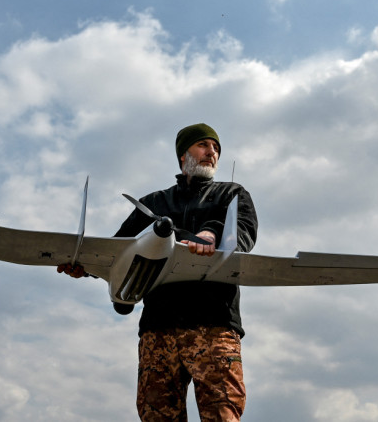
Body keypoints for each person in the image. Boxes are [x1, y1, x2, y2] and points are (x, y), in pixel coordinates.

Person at [58, 123, 258, 421]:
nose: (212, 152)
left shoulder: (232, 194)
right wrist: (84, 265)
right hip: (158, 329)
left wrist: (211, 234)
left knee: (222, 414)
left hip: (213, 324)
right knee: (157, 416)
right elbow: (119, 250)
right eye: (203, 145)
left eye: (216, 148)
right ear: (183, 155)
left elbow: (242, 233)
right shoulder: (154, 203)